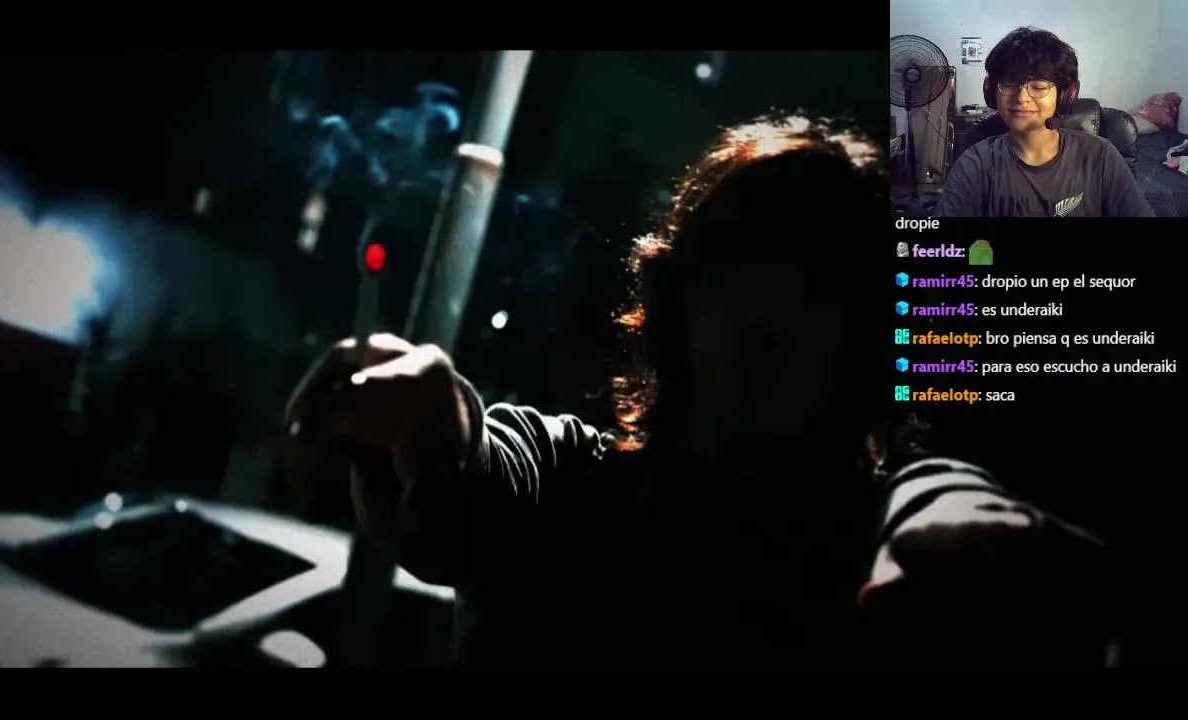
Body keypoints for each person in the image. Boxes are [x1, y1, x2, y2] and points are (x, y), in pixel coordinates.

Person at [286, 115, 1110, 668]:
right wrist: (439, 426)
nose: (769, 313)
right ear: (681, 297)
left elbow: (933, 499)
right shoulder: (571, 488)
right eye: (743, 268)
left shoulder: (874, 534)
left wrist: (961, 525)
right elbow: (482, 475)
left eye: (818, 284)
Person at [935, 27, 1155, 217]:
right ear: (991, 90)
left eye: (1038, 87)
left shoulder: (1101, 156)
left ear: (1065, 94)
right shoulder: (974, 164)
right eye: (1010, 84)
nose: (1022, 98)